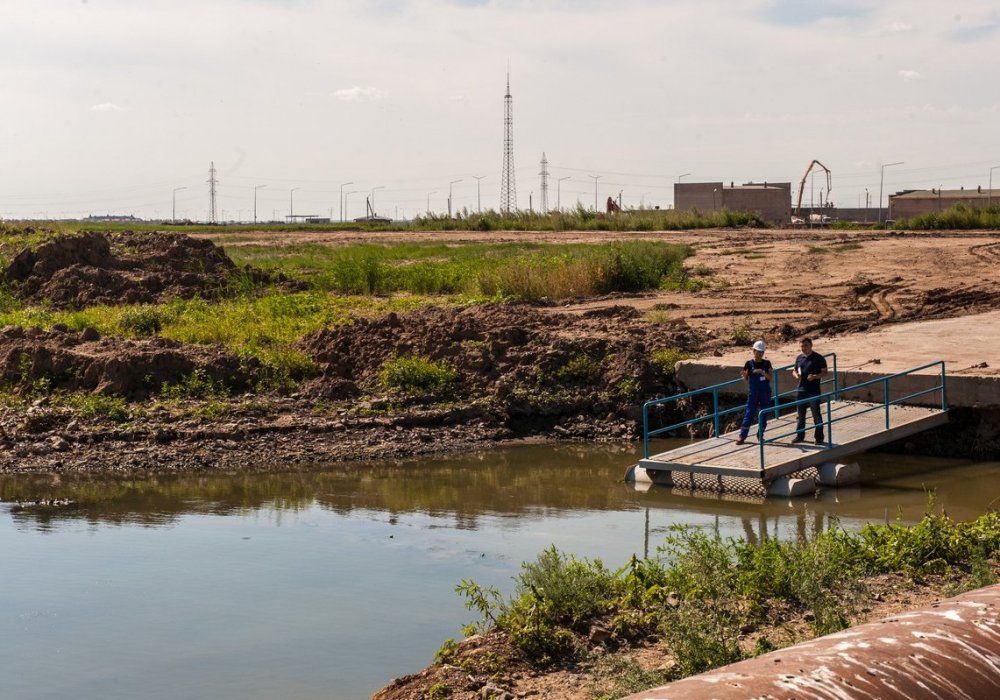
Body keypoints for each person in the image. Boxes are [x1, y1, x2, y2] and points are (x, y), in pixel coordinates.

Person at [791, 337, 829, 444]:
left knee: (816, 414)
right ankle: (800, 436)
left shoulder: (819, 358)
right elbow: (794, 370)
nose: (804, 348)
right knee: (800, 415)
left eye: (806, 345)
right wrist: (796, 375)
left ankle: (819, 438)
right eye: (802, 346)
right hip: (801, 390)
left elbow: (825, 373)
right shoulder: (799, 358)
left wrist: (815, 376)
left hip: (813, 391)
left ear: (811, 345)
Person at [736, 340, 773, 445]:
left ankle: (760, 435)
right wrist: (744, 376)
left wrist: (762, 372)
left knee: (763, 414)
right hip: (753, 393)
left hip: (765, 393)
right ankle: (742, 436)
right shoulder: (749, 364)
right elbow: (746, 379)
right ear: (753, 351)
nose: (760, 354)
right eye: (758, 351)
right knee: (749, 414)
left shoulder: (767, 363)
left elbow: (770, 378)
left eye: (762, 352)